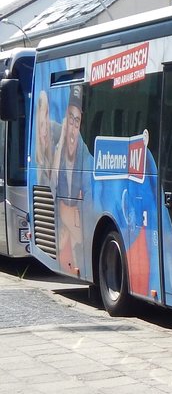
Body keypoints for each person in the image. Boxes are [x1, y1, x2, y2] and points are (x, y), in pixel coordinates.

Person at [53, 84, 85, 273]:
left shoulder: (84, 159)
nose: (73, 128)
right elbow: (52, 181)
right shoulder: (59, 156)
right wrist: (64, 135)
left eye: (77, 122)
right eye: (70, 120)